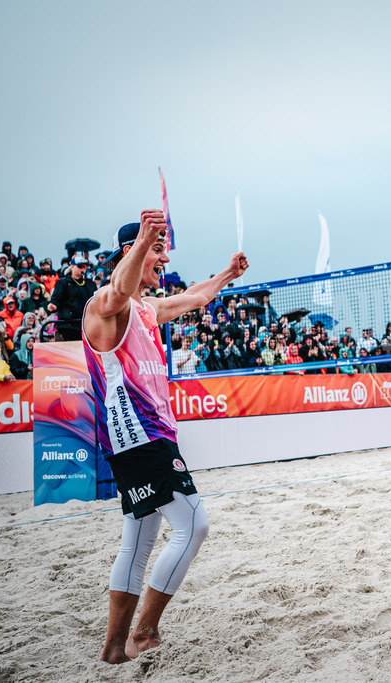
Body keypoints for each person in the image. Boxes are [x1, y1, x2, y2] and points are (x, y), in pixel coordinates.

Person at [82, 211, 248, 664]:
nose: (163, 256)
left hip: (141, 438)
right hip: (142, 438)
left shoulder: (146, 309)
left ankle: (116, 647)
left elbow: (194, 298)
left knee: (137, 541)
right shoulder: (105, 304)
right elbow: (118, 288)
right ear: (129, 252)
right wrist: (142, 241)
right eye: (157, 249)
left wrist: (228, 274)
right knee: (194, 526)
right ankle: (145, 631)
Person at [49, 255, 96, 341]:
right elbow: (55, 299)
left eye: (84, 267)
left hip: (86, 324)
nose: (82, 269)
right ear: (72, 267)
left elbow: (95, 299)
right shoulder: (63, 283)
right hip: (69, 325)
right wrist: (53, 305)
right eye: (80, 266)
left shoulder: (90, 284)